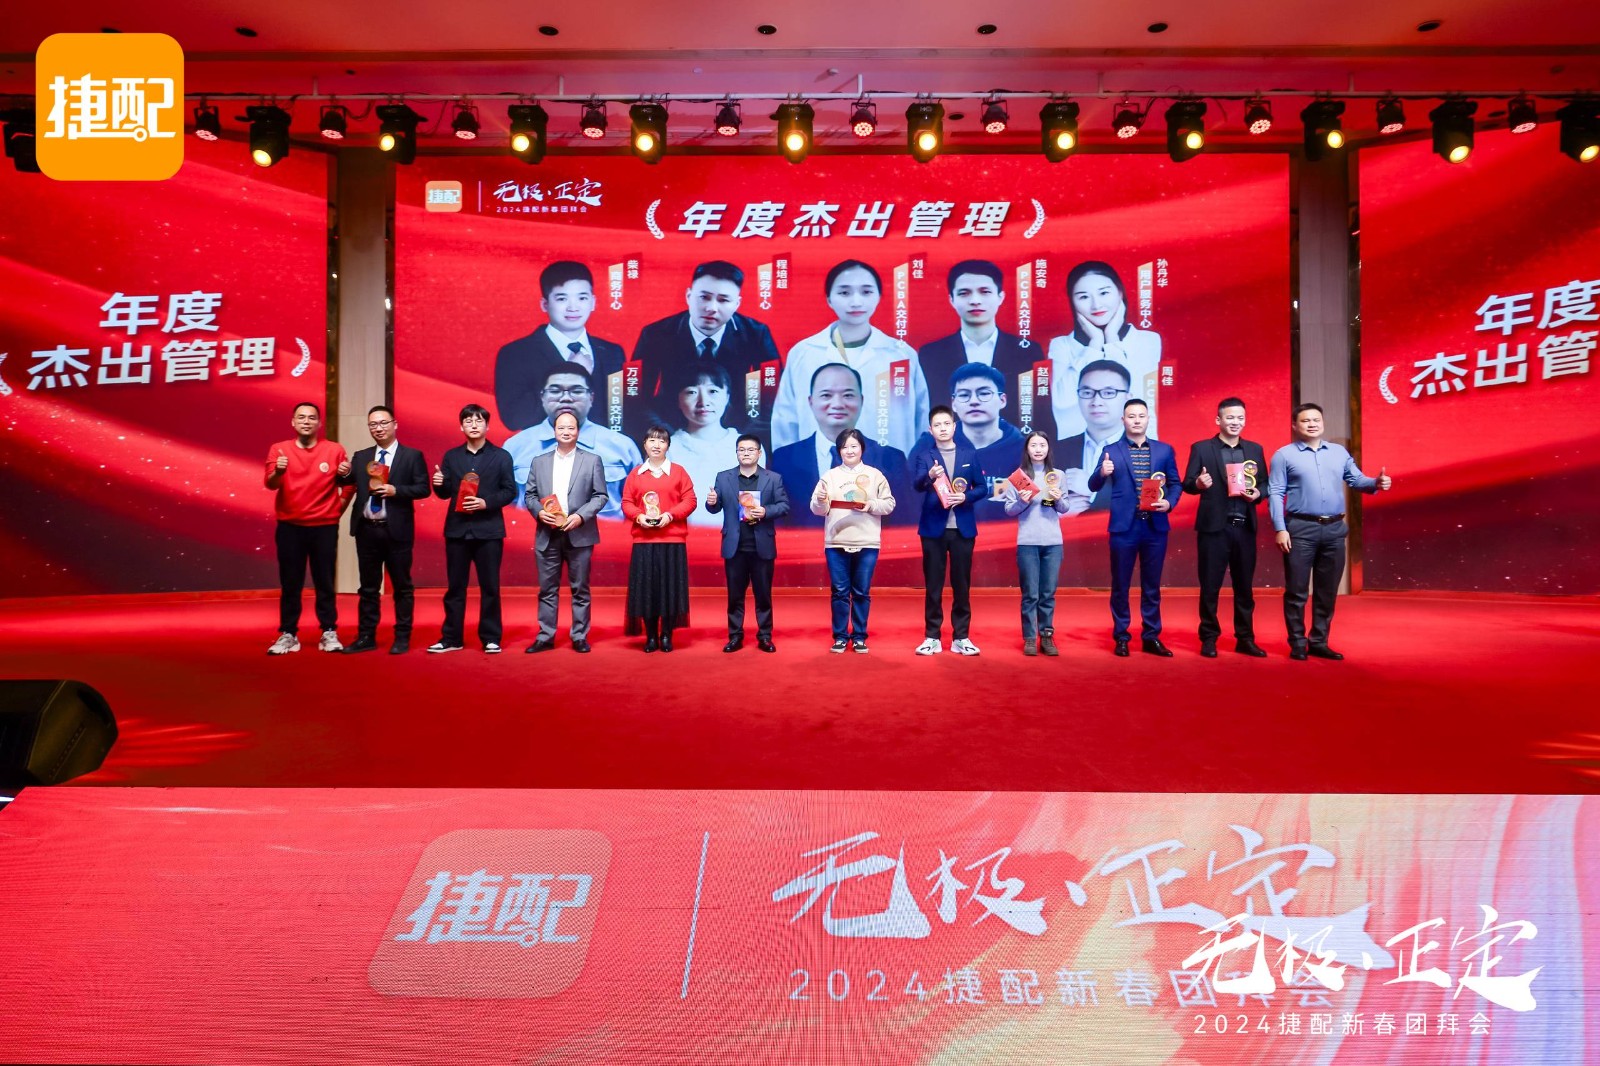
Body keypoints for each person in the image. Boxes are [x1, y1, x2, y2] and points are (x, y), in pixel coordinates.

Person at [1268, 402, 1393, 661]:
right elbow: (1276, 493)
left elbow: (1356, 480)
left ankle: (1319, 641)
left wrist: (1376, 483)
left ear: (1322, 422)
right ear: (1294, 426)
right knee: (1297, 591)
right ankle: (1297, 643)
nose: (1312, 424)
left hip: (1334, 529)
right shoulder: (1284, 455)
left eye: (1316, 420)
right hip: (1300, 529)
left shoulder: (1338, 452)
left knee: (1326, 591)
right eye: (1305, 421)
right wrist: (1280, 528)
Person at [771, 259, 930, 457]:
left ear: (879, 297)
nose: (856, 302)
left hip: (890, 468)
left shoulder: (901, 355)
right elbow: (785, 422)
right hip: (816, 469)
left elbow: (921, 421)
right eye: (844, 293)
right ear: (829, 299)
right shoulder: (804, 353)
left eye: (866, 292)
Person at [628, 260, 782, 438]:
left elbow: (774, 398)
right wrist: (668, 438)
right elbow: (633, 396)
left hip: (737, 432)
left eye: (723, 300)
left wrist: (742, 440)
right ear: (688, 296)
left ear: (737, 304)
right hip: (670, 431)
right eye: (704, 297)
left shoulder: (756, 334)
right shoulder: (655, 334)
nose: (711, 308)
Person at [1087, 398, 1182, 657]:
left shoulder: (1164, 451)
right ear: (1123, 420)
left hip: (1154, 526)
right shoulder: (1111, 450)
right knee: (1120, 585)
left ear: (1148, 419)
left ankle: (1151, 636)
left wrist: (1169, 503)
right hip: (1123, 528)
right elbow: (1092, 485)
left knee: (1152, 585)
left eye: (1141, 416)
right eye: (1131, 416)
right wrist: (1102, 472)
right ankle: (1121, 636)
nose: (1136, 420)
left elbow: (1176, 484)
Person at [917, 259, 1054, 439]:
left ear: (1000, 297)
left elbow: (1042, 415)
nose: (975, 301)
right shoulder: (931, 354)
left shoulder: (1028, 351)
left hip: (1012, 450)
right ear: (952, 299)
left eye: (985, 292)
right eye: (964, 293)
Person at [768, 362, 910, 527]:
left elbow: (903, 522)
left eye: (848, 395)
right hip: (804, 543)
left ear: (861, 400)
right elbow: (778, 519)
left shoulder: (892, 458)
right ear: (811, 401)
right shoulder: (783, 459)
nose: (837, 404)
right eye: (826, 395)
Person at [1182, 397, 1270, 659]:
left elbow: (1265, 483)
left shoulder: (1254, 449)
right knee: (1210, 587)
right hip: (1214, 530)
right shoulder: (1202, 448)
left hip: (1244, 528)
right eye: (1230, 417)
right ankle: (1209, 638)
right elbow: (1187, 483)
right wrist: (1198, 484)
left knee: (1245, 588)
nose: (1235, 422)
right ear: (1218, 420)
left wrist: (1258, 493)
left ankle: (1245, 638)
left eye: (1240, 418)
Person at [494, 261, 627, 432]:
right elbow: (514, 418)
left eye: (582, 298)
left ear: (593, 302)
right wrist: (570, 374)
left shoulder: (612, 352)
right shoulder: (516, 354)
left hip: (605, 448)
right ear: (545, 304)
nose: (573, 308)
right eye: (562, 299)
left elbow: (621, 414)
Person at [338, 405, 428, 655]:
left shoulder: (412, 456)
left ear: (394, 424)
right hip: (367, 530)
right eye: (373, 424)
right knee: (368, 587)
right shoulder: (362, 456)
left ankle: (402, 637)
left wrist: (396, 490)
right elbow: (344, 481)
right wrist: (342, 472)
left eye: (383, 423)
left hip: (397, 530)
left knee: (402, 586)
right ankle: (366, 636)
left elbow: (423, 488)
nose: (378, 428)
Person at [263, 402, 352, 655]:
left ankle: (329, 631)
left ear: (319, 423)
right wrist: (279, 471)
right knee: (291, 582)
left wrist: (337, 509)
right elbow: (271, 484)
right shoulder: (279, 449)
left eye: (312, 418)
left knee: (325, 581)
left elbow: (348, 484)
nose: (306, 421)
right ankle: (288, 633)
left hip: (324, 527)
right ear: (293, 422)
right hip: (290, 526)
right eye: (301, 417)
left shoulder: (334, 450)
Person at [428, 404, 517, 654]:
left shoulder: (501, 457)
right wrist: (439, 483)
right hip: (457, 530)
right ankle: (451, 638)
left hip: (489, 531)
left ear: (487, 426)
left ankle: (491, 637)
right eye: (468, 421)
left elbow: (510, 491)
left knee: (490, 587)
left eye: (479, 421)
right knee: (455, 587)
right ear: (461, 427)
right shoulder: (452, 456)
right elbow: (445, 493)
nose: (474, 425)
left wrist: (485, 503)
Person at [522, 410, 610, 654]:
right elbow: (530, 495)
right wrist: (539, 512)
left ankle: (579, 636)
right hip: (547, 533)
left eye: (571, 427)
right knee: (547, 589)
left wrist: (580, 516)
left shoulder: (592, 460)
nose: (566, 432)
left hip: (579, 533)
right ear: (554, 431)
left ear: (578, 431)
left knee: (580, 588)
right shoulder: (539, 461)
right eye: (561, 427)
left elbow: (601, 495)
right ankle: (545, 636)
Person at [503, 365, 642, 519]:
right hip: (536, 533)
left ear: (591, 397)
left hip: (602, 533)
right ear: (542, 397)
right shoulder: (515, 446)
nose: (566, 398)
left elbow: (639, 503)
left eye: (576, 391)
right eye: (555, 391)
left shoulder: (622, 447)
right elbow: (506, 507)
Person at [1048, 261, 1162, 440]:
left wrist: (1111, 340)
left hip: (1136, 447)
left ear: (1120, 293)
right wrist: (1094, 345)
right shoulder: (1062, 345)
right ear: (1072, 302)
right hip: (1079, 450)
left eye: (1104, 293)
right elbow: (1062, 402)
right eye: (1083, 297)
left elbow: (1135, 397)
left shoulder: (1148, 340)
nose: (1096, 305)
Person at [809, 428, 896, 653]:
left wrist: (871, 505)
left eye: (854, 446)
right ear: (839, 450)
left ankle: (859, 636)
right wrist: (820, 500)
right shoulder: (829, 476)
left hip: (867, 542)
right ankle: (840, 636)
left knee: (861, 591)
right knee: (839, 591)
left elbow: (889, 504)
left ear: (862, 449)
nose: (849, 450)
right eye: (845, 447)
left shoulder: (875, 475)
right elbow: (817, 509)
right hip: (836, 542)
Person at [908, 406, 986, 656]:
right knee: (933, 585)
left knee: (962, 585)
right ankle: (932, 637)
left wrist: (965, 497)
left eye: (946, 424)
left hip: (962, 528)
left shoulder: (969, 454)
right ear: (930, 430)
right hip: (933, 529)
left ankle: (961, 637)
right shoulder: (924, 456)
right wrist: (930, 476)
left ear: (954, 426)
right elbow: (917, 485)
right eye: (937, 425)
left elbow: (982, 488)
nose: (942, 428)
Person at [705, 433, 791, 653]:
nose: (745, 453)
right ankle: (735, 636)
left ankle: (765, 636)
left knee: (763, 596)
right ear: (736, 453)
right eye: (741, 450)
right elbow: (715, 508)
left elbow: (784, 506)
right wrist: (711, 502)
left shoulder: (773, 478)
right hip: (735, 547)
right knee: (735, 596)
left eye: (750, 450)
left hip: (762, 546)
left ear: (759, 453)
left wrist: (766, 511)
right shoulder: (723, 477)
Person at [621, 424, 697, 652]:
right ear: (644, 444)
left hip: (672, 541)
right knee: (647, 591)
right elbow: (627, 502)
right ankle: (651, 636)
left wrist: (670, 515)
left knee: (670, 590)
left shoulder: (678, 471)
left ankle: (666, 635)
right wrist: (639, 517)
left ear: (668, 445)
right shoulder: (636, 474)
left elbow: (690, 500)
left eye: (662, 441)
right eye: (652, 440)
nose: (656, 445)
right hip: (644, 541)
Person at [1000, 431, 1073, 656]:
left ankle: (1047, 636)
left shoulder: (1057, 475)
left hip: (1053, 542)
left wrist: (1058, 498)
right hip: (1027, 543)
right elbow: (1009, 509)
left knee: (1047, 593)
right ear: (1027, 449)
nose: (1038, 449)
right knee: (1030, 594)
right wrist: (1022, 502)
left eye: (1042, 445)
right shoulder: (1019, 477)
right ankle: (1030, 638)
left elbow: (1065, 508)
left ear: (1048, 448)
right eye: (1034, 445)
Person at [667, 363, 750, 527]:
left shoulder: (747, 447)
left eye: (713, 391)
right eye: (691, 392)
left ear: (727, 396)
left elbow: (750, 511)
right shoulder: (667, 450)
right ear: (678, 400)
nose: (703, 402)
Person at [947, 361, 1024, 514]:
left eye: (984, 394)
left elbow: (1040, 501)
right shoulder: (931, 445)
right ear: (954, 404)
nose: (974, 401)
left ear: (1002, 400)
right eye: (964, 395)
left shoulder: (1025, 450)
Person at [1056, 360, 1130, 514]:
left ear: (1128, 399)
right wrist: (1053, 510)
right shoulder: (1054, 451)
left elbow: (1152, 503)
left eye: (1108, 393)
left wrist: (1094, 490)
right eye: (1087, 393)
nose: (1096, 402)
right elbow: (1029, 498)